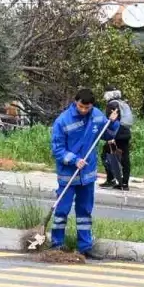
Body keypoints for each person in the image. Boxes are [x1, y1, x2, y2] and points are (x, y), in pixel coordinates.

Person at [50, 88, 120, 258]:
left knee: (85, 212)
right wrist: (74, 160)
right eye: (81, 107)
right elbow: (57, 150)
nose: (83, 110)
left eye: (87, 108)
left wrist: (113, 122)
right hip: (68, 175)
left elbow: (107, 134)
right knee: (62, 211)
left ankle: (85, 247)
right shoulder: (63, 121)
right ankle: (56, 245)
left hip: (87, 176)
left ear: (92, 106)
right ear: (76, 102)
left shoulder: (96, 115)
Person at [100, 89, 135, 190]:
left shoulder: (111, 104)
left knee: (106, 154)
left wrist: (110, 137)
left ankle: (111, 179)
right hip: (126, 132)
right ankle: (124, 183)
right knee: (125, 157)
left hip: (116, 134)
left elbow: (111, 121)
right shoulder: (122, 103)